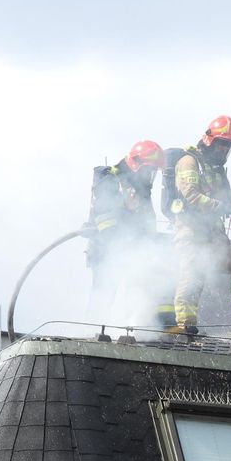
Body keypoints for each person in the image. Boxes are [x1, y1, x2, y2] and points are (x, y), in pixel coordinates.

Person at [168, 115, 231, 335]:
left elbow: (223, 196)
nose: (224, 151)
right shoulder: (189, 161)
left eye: (228, 147)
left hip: (214, 234)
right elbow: (191, 195)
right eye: (221, 145)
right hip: (191, 232)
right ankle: (185, 326)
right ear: (210, 140)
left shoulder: (215, 168)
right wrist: (219, 206)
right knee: (193, 276)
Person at [86, 140, 175, 328]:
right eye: (147, 170)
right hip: (106, 251)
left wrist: (153, 246)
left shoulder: (141, 190)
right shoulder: (111, 179)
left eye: (153, 172)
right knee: (105, 292)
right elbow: (105, 218)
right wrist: (124, 245)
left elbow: (147, 224)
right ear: (135, 163)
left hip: (133, 250)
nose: (149, 176)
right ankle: (92, 331)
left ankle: (143, 328)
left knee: (144, 286)